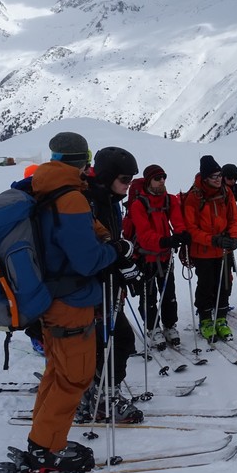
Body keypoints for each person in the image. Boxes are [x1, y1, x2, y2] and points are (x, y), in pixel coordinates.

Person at [22, 132, 125, 473]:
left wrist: (104, 239)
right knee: (74, 378)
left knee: (56, 373)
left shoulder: (45, 188)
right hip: (71, 300)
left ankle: (42, 441)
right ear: (83, 159)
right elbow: (87, 260)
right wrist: (116, 251)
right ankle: (46, 451)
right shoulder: (70, 199)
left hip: (50, 299)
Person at [81, 146, 144, 424]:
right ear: (106, 177)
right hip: (92, 286)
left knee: (114, 340)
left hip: (107, 281)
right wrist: (119, 255)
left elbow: (112, 243)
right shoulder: (88, 201)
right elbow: (90, 249)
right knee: (113, 341)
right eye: (124, 179)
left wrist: (125, 263)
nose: (128, 185)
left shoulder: (109, 199)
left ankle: (98, 390)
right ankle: (103, 397)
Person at [125, 164, 189, 348]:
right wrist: (166, 241)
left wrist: (182, 233)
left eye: (164, 176)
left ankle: (169, 325)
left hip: (165, 256)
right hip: (146, 257)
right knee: (149, 295)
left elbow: (177, 221)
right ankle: (152, 328)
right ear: (148, 181)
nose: (162, 180)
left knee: (169, 293)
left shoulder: (169, 200)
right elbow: (144, 235)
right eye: (157, 178)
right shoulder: (139, 204)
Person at [183, 155, 237, 341]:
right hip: (203, 251)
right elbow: (191, 229)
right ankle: (206, 319)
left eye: (220, 175)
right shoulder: (194, 196)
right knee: (206, 285)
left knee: (225, 284)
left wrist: (232, 237)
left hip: (223, 249)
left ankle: (221, 319)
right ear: (205, 177)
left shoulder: (226, 192)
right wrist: (213, 240)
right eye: (214, 176)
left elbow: (233, 218)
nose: (218, 179)